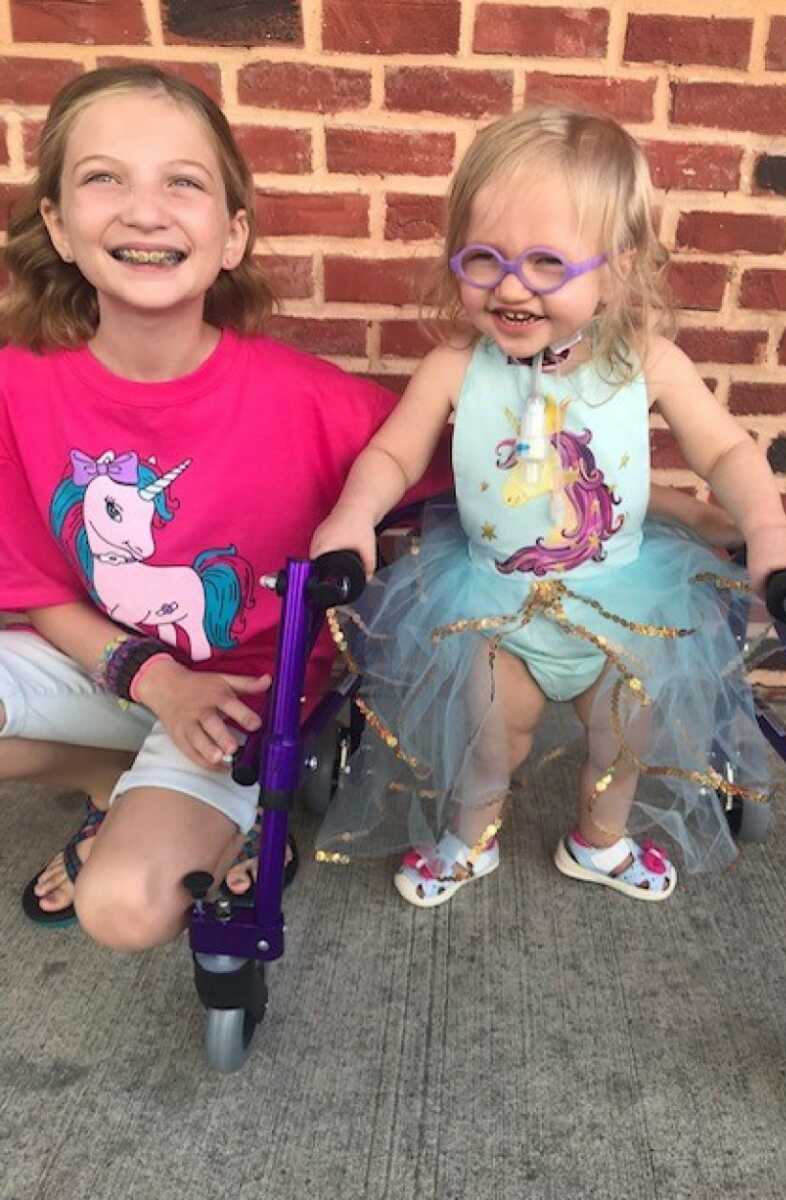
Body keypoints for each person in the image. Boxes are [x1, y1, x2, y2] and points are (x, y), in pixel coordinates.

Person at [311, 106, 786, 907]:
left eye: (548, 262)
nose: (511, 287)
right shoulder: (456, 365)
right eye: (485, 258)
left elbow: (724, 450)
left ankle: (601, 839)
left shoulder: (649, 364)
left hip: (626, 598)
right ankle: (469, 836)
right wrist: (351, 514)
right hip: (488, 600)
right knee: (488, 739)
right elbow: (394, 451)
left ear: (618, 270)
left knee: (627, 735)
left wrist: (768, 528)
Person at [0, 64, 450, 938]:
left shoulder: (312, 402)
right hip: (107, 668)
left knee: (123, 909)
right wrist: (152, 680)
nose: (144, 209)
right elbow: (37, 590)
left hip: (238, 695)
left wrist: (683, 509)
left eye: (183, 182)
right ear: (57, 221)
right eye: (103, 178)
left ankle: (213, 803)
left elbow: (494, 476)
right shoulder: (17, 386)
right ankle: (108, 778)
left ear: (232, 234)